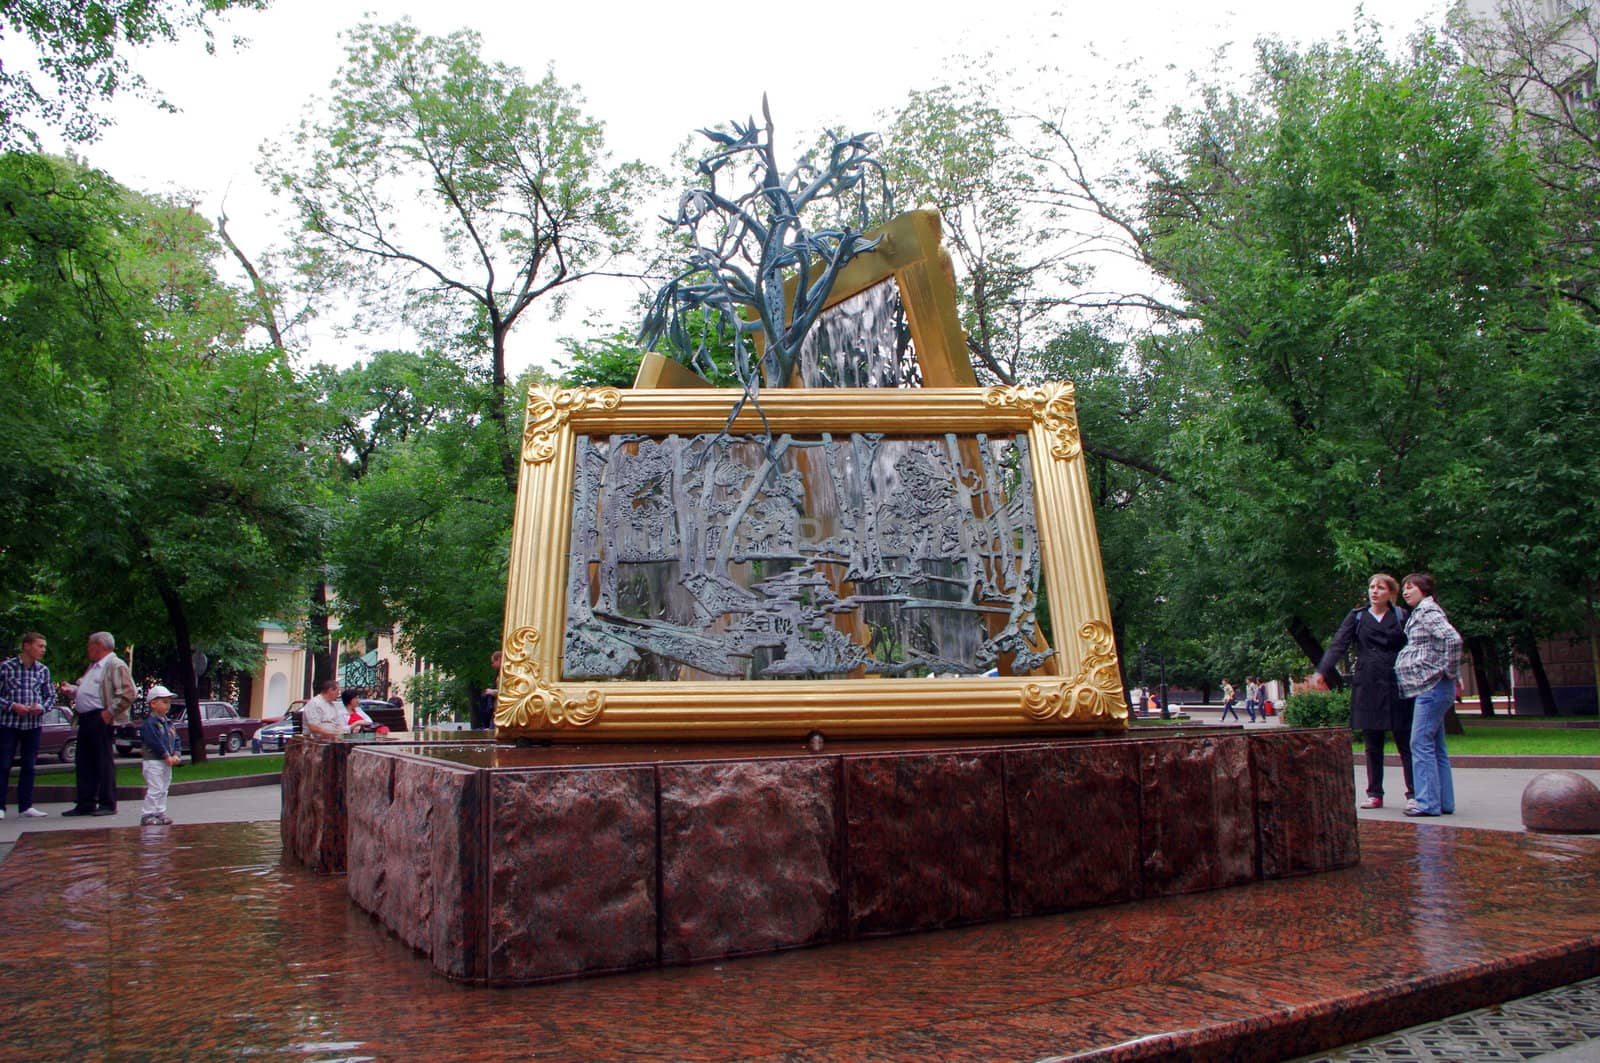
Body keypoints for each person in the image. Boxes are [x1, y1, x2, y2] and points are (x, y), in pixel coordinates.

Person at [1310, 574, 1414, 809]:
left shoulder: (1401, 616)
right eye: (1371, 587)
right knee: (1372, 742)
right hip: (1367, 683)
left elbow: (1415, 645)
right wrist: (1322, 671)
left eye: (1380, 588)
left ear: (1391, 593)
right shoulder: (1357, 616)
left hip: (1397, 682)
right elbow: (1338, 644)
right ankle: (1375, 793)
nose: (1374, 591)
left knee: (1404, 741)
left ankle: (1413, 794)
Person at [1395, 572, 1462, 818]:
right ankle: (1443, 802)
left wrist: (1450, 672)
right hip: (1432, 686)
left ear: (1423, 589)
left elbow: (1453, 640)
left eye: (1410, 587)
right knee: (1435, 745)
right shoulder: (1423, 612)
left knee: (1420, 742)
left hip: (1431, 687)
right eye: (1403, 588)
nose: (1405, 591)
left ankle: (1426, 803)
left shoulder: (1427, 612)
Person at [57, 631, 135, 816]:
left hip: (100, 717)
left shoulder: (114, 665)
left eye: (89, 645)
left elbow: (128, 692)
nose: (87, 649)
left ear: (98, 645)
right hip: (86, 718)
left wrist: (109, 713)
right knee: (84, 761)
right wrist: (75, 691)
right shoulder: (95, 666)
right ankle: (85, 803)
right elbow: (93, 691)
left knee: (102, 761)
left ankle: (108, 803)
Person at [0, 632, 55, 819]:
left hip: (33, 724)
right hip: (9, 723)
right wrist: (12, 706)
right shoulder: (6, 667)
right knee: (4, 764)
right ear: (26, 646)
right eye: (40, 646)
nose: (43, 650)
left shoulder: (43, 670)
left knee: (29, 765)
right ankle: (0, 806)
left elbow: (50, 695)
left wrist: (42, 707)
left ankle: (26, 806)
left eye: (44, 647)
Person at [138, 685, 182, 826]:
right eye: (164, 702)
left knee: (164, 788)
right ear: (153, 703)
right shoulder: (150, 724)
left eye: (169, 702)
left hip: (166, 761)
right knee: (155, 788)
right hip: (153, 761)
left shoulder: (168, 723)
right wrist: (165, 755)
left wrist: (176, 753)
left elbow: (176, 739)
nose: (168, 706)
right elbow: (154, 742)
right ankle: (148, 814)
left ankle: (159, 812)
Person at [473, 650, 501, 730]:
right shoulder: (500, 673)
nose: (492, 665)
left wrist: (492, 692)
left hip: (501, 711)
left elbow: (507, 692)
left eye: (493, 662)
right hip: (497, 711)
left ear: (499, 659)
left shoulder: (505, 674)